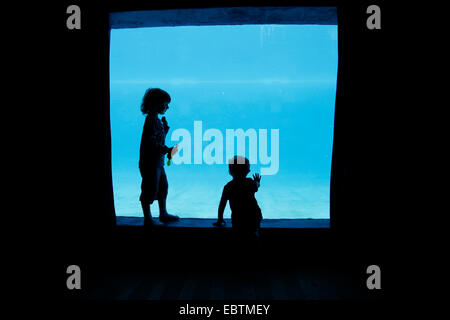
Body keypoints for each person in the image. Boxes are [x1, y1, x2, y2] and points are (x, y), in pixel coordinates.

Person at [139, 88, 179, 227]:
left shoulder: (155, 120)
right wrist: (166, 149)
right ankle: (148, 218)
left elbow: (157, 140)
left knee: (162, 187)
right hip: (150, 163)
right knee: (149, 189)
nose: (167, 107)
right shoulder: (150, 121)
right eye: (165, 103)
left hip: (158, 162)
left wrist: (165, 131)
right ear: (156, 103)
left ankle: (163, 213)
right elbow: (151, 143)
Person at [213, 156, 263, 244]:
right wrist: (257, 181)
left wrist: (220, 218)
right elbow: (256, 186)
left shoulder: (228, 187)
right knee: (253, 234)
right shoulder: (250, 182)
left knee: (238, 237)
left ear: (230, 171)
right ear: (248, 171)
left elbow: (222, 204)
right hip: (253, 216)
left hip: (238, 218)